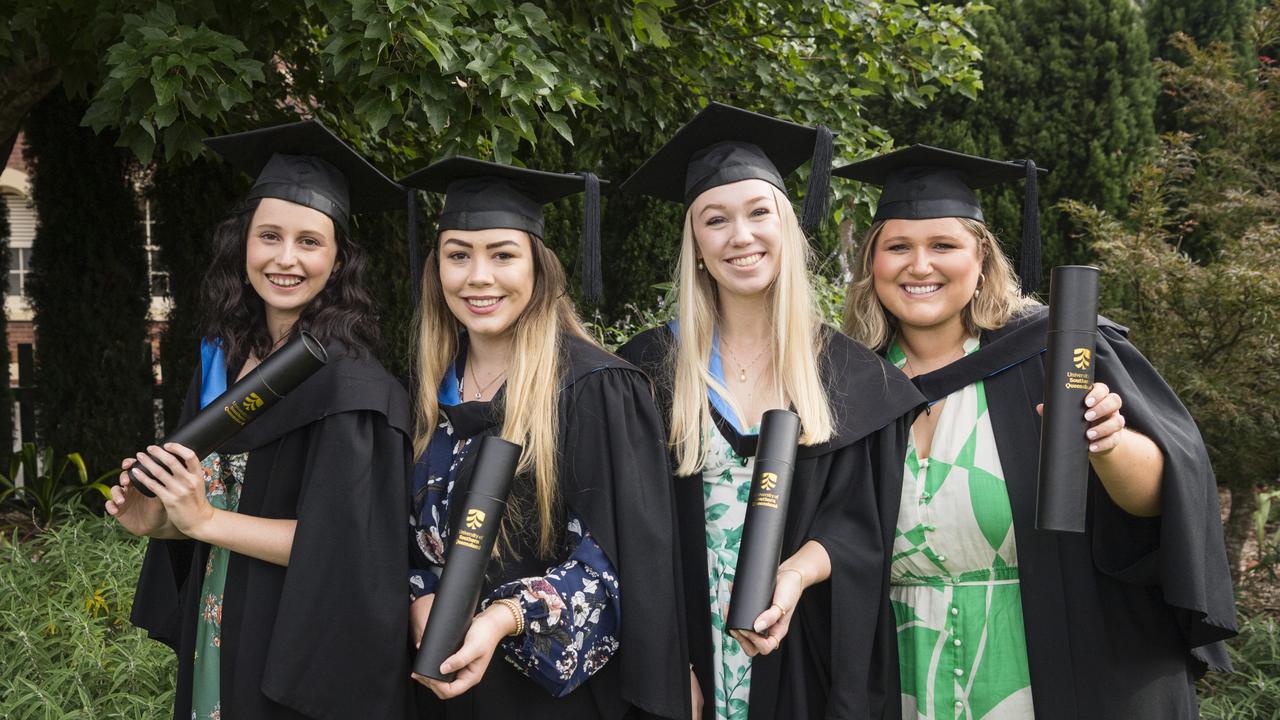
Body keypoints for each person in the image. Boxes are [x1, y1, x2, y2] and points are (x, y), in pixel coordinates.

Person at [834, 144, 1238, 719]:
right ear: (872, 264)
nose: (919, 265)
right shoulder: (851, 383)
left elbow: (1164, 497)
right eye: (898, 247)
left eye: (943, 245)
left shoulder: (1059, 351)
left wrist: (1108, 443)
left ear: (982, 260)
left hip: (1046, 659)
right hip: (902, 668)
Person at [616, 103, 924, 720]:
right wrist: (663, 664)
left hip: (801, 653)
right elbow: (624, 535)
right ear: (696, 244)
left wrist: (797, 576)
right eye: (715, 220)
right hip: (683, 657)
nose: (741, 236)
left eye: (760, 212)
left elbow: (863, 527)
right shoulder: (646, 370)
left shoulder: (848, 375)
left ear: (787, 226)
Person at [108, 120, 415, 719]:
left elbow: (347, 549)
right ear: (241, 244)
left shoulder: (355, 390)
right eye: (268, 235)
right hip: (216, 618)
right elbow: (200, 516)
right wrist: (156, 517)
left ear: (339, 258)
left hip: (295, 640)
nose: (285, 259)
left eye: (309, 241)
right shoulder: (220, 362)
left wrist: (202, 519)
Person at [397, 157, 687, 719]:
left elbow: (621, 565)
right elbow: (395, 534)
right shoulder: (425, 393)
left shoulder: (597, 390)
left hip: (551, 700)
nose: (478, 276)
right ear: (436, 270)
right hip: (439, 685)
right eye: (458, 255)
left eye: (503, 254)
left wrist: (504, 617)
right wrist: (417, 593)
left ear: (539, 268)